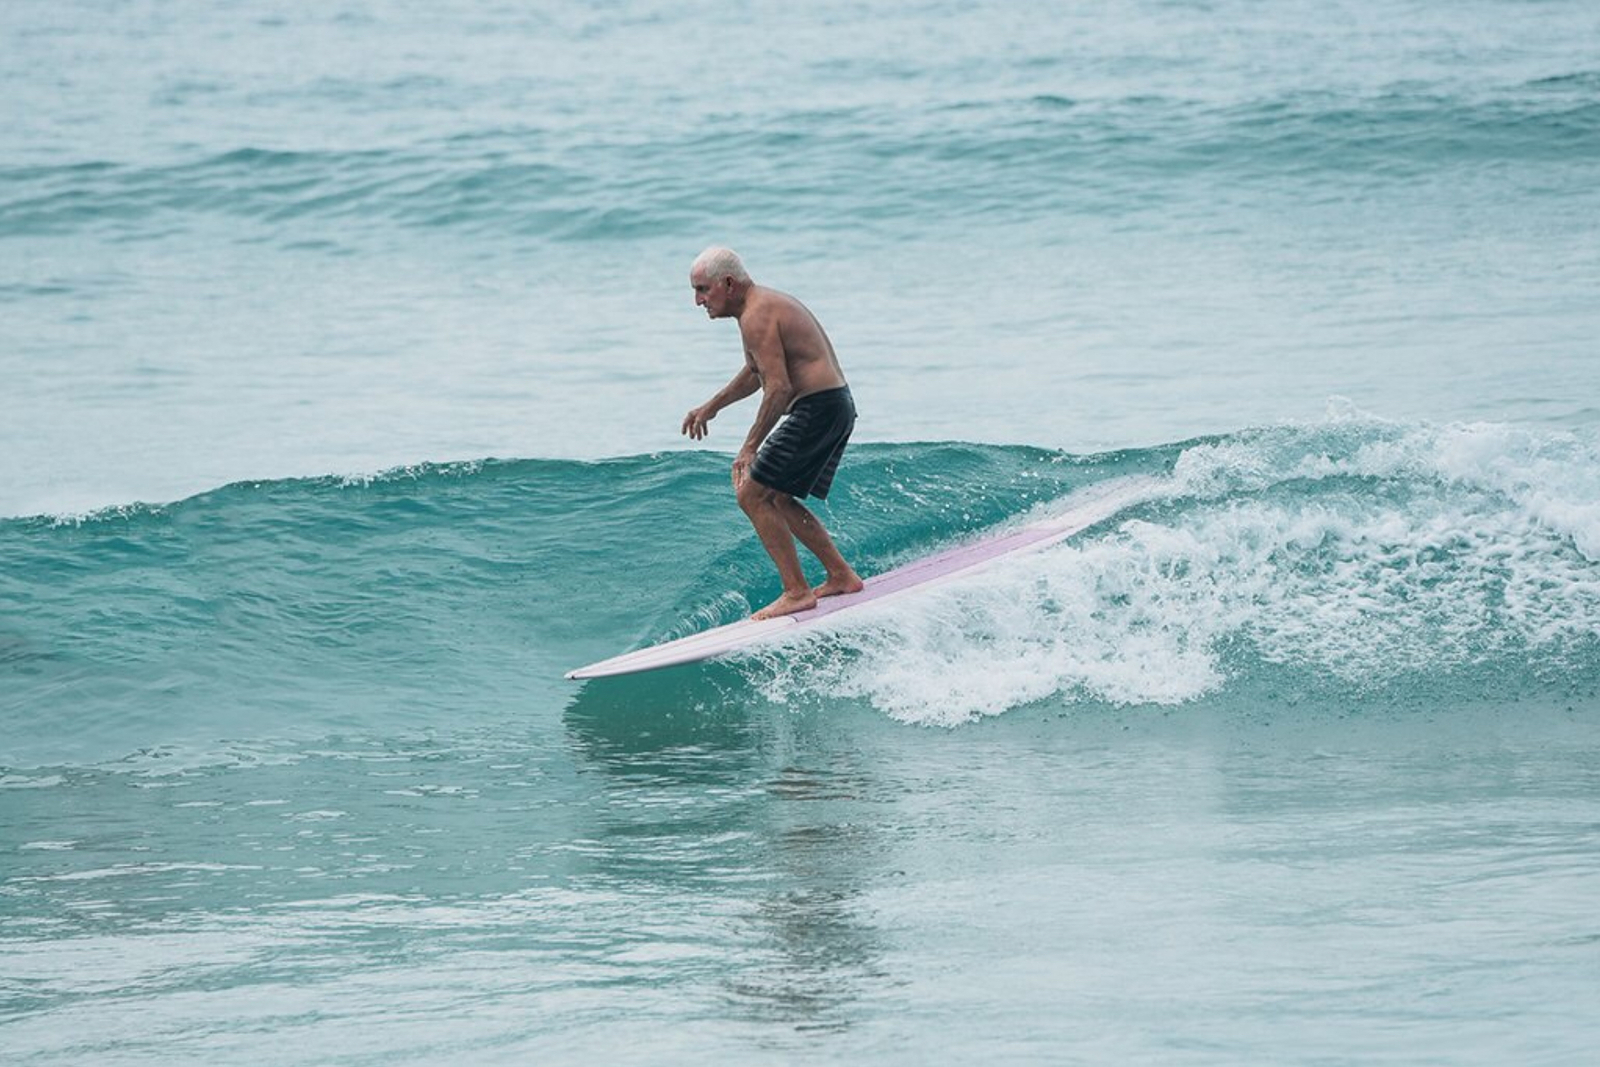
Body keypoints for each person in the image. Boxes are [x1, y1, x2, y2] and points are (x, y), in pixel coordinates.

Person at [681, 247, 865, 619]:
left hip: (818, 407)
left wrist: (750, 447)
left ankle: (797, 591)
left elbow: (777, 388)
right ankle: (841, 575)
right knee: (777, 497)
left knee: (751, 492)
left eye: (702, 290)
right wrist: (711, 407)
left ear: (727, 283)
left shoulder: (757, 314)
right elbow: (756, 370)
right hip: (833, 405)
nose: (698, 301)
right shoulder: (758, 307)